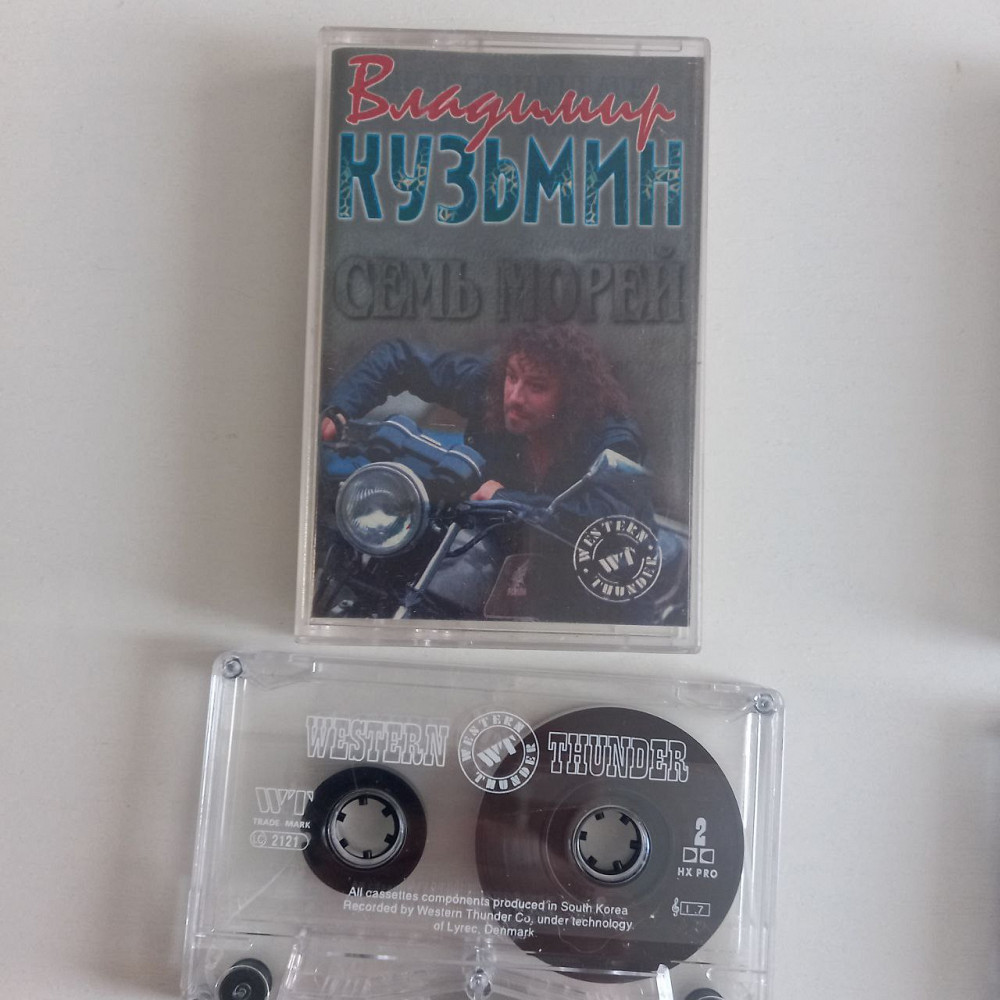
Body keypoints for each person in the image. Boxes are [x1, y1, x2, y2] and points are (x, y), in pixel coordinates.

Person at [320, 325, 646, 515]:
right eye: (512, 376)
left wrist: (507, 499)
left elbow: (607, 513)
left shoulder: (612, 438)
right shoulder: (489, 385)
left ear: (571, 396)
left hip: (574, 574)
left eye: (537, 387)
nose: (514, 396)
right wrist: (338, 409)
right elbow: (399, 357)